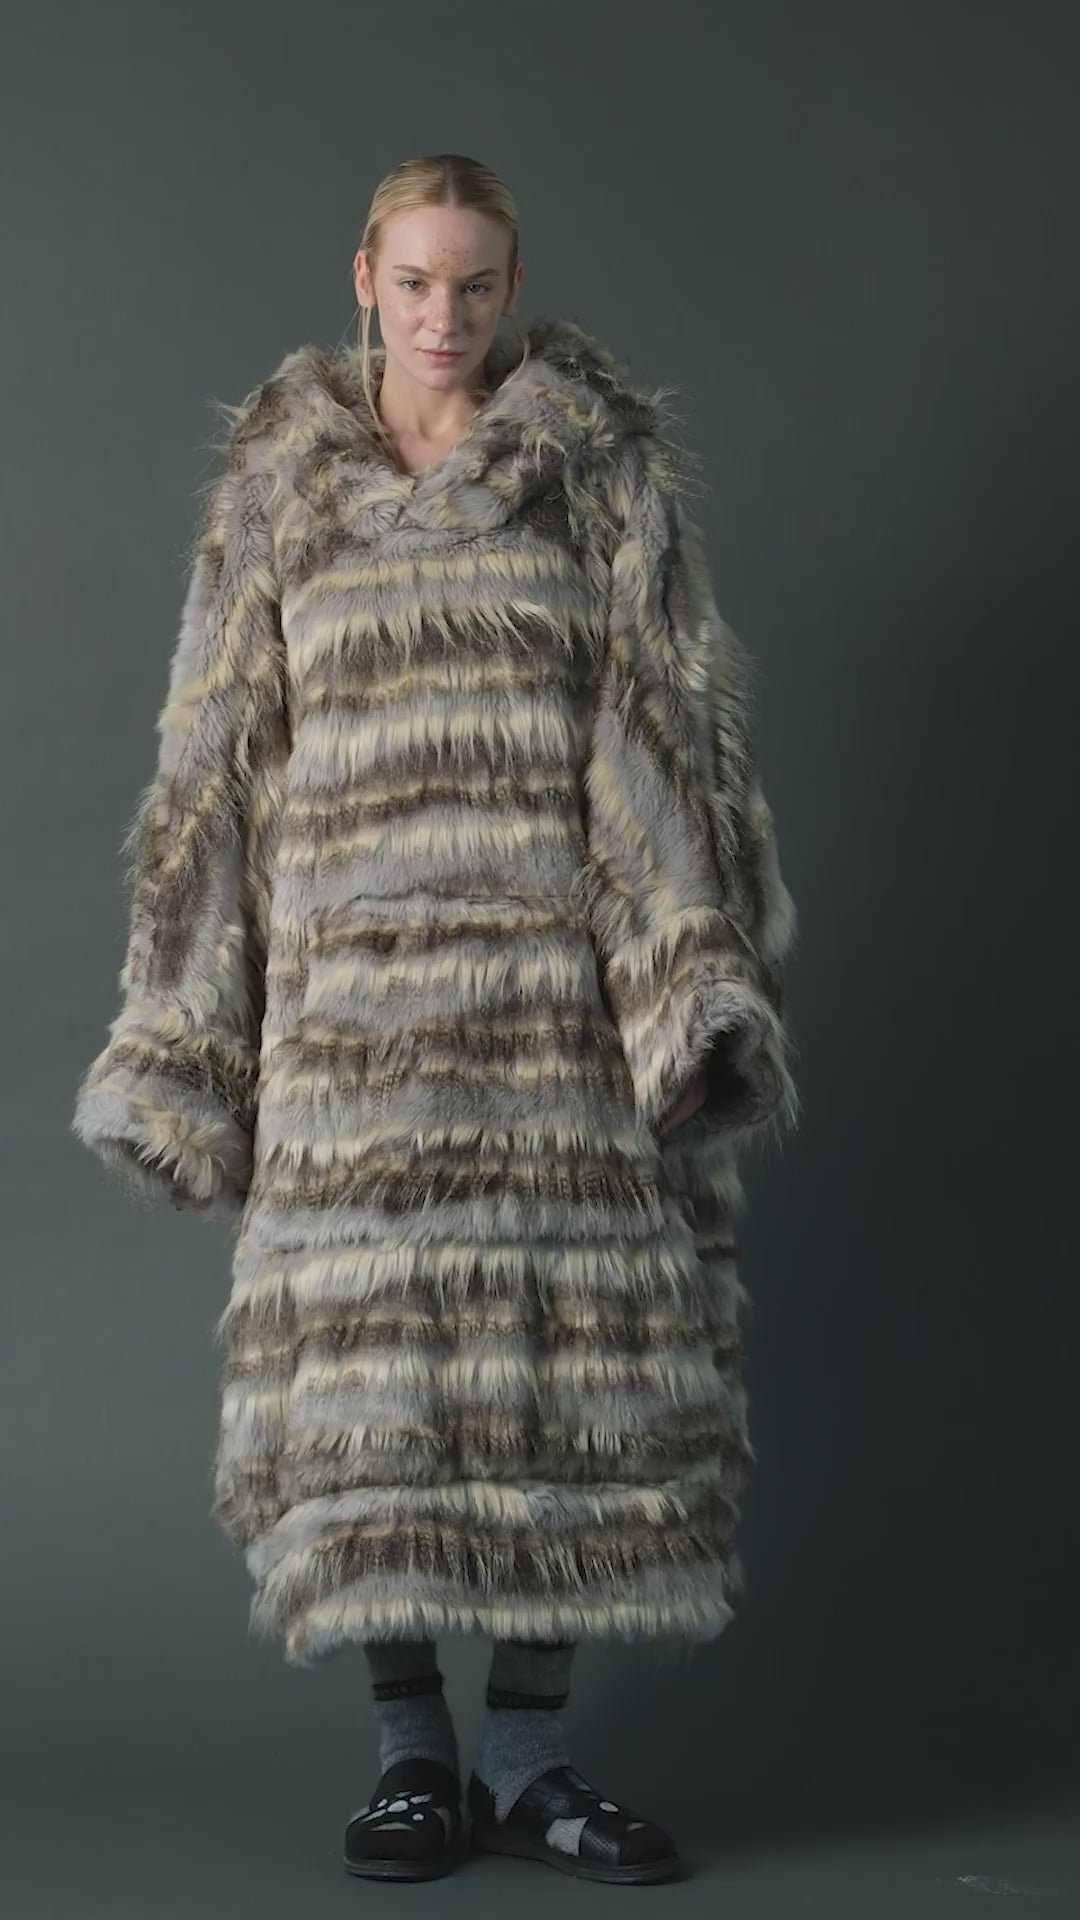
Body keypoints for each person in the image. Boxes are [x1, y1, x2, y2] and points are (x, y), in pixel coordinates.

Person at [71, 152, 799, 1884]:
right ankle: (414, 1759)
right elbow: (212, 769)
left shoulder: (594, 475)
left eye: (475, 284)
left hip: (550, 1018)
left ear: (511, 285)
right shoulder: (280, 489)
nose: (445, 317)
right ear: (365, 280)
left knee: (566, 1384)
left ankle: (533, 1761)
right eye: (416, 282)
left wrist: (687, 992)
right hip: (349, 1028)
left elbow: (664, 739)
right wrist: (184, 1035)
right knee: (373, 1389)